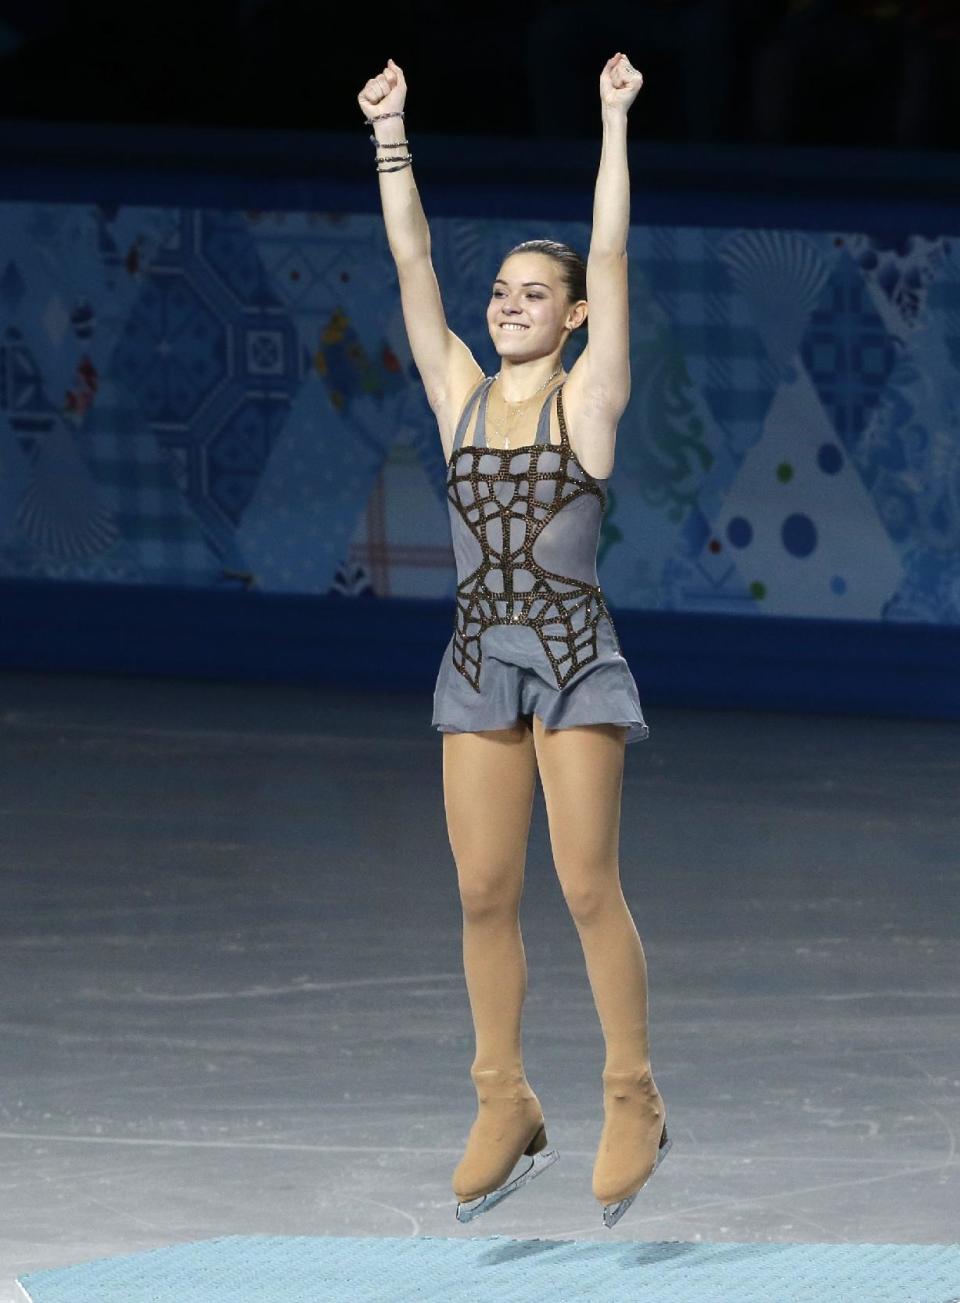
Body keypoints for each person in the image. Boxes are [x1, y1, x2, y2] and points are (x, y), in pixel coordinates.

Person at [357, 51, 670, 1230]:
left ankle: (632, 1093)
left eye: (533, 293)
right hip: (480, 661)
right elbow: (412, 258)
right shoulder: (456, 391)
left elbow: (614, 250)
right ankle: (505, 1099)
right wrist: (391, 132)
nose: (507, 304)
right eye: (502, 292)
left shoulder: (592, 395)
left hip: (574, 658)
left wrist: (610, 120)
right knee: (484, 889)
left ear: (573, 314)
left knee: (587, 885)